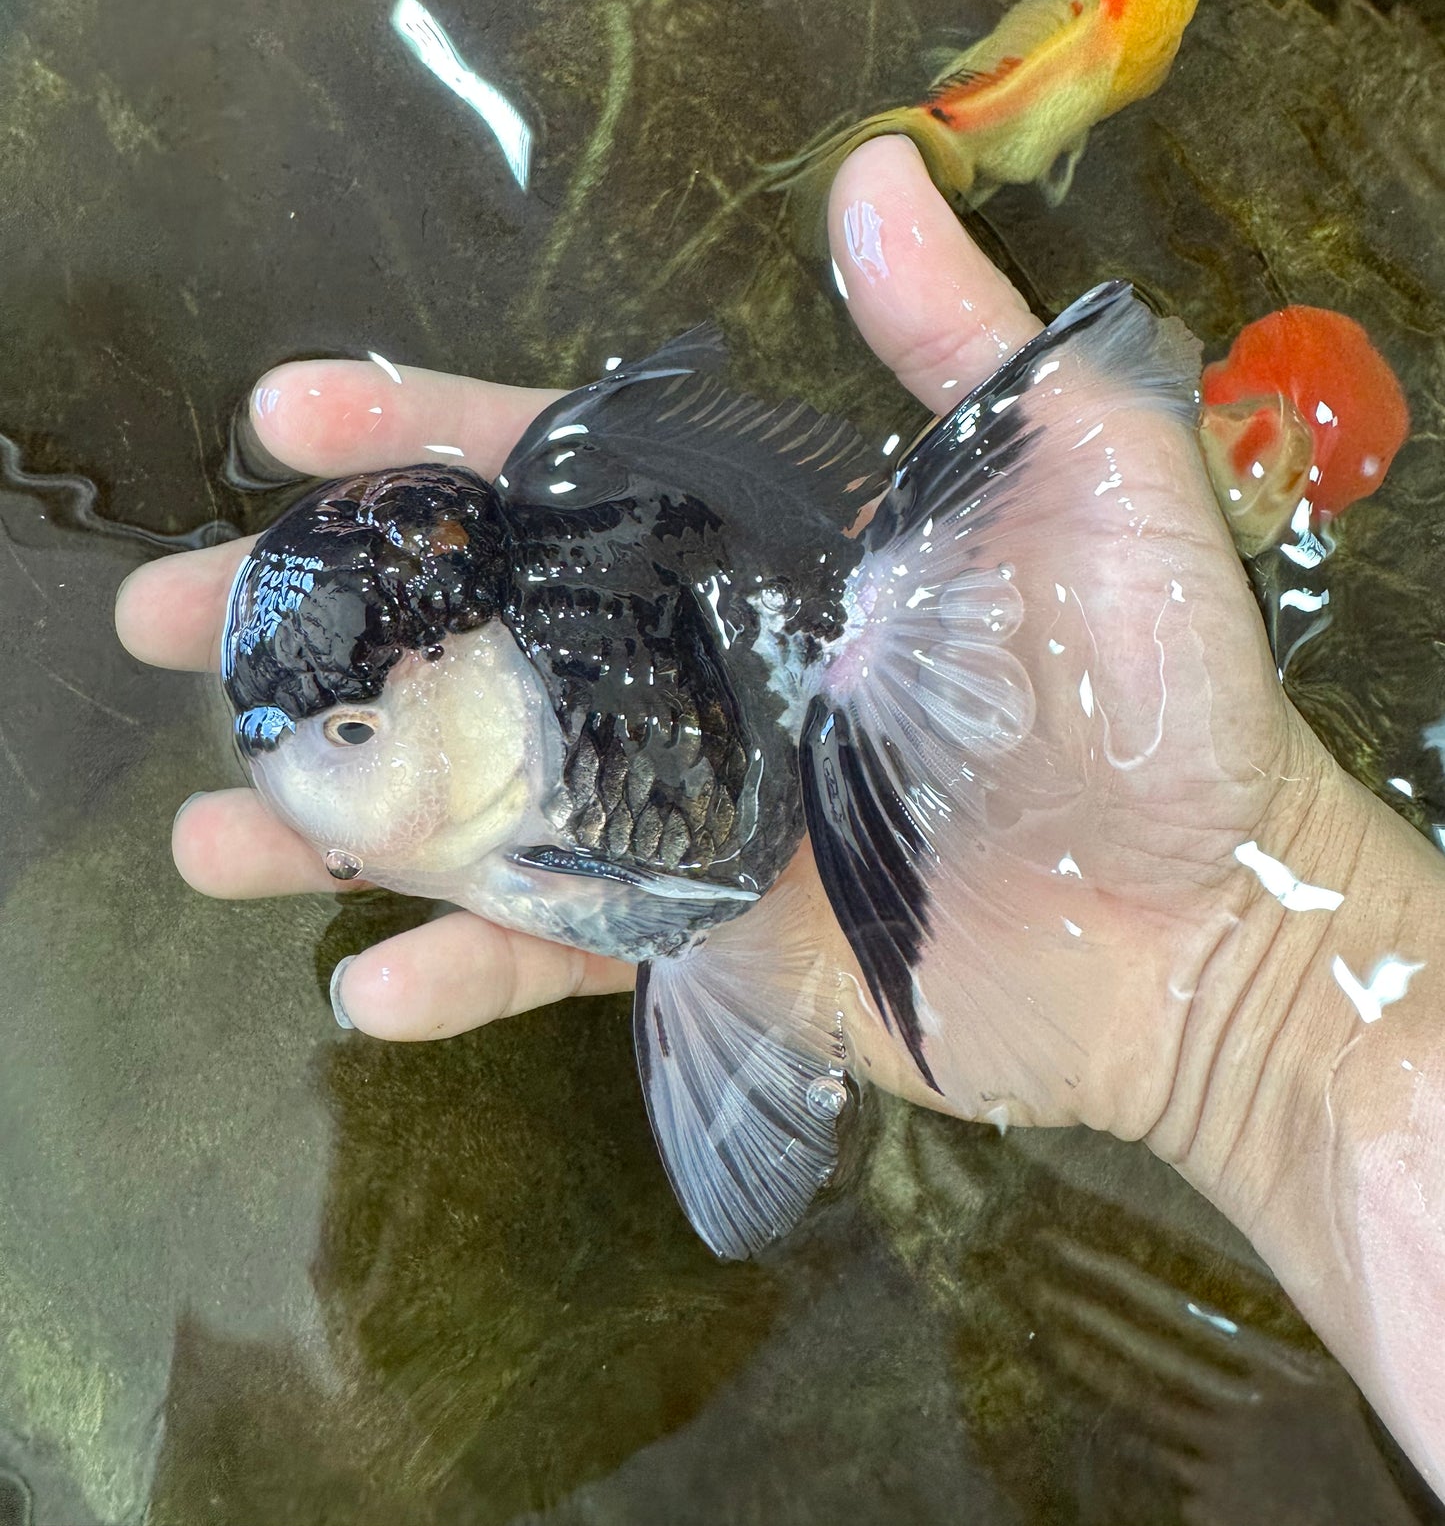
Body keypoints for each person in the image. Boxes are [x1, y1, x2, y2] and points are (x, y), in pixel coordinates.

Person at [115, 135, 1445, 1498]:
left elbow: (687, 915)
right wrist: (1285, 991)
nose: (291, 766)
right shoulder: (518, 676)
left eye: (347, 734)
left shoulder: (564, 758)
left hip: (764, 779)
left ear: (447, 682)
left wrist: (1269, 984)